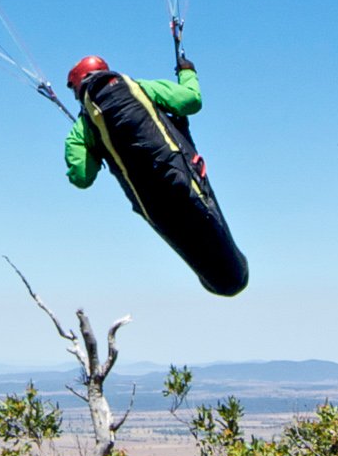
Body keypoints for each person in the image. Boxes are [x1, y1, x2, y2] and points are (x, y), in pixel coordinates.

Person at [63, 50, 249, 297]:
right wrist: (187, 72)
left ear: (77, 86)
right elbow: (191, 101)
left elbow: (82, 178)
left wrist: (91, 153)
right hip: (183, 178)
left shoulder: (82, 127)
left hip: (152, 204)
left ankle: (225, 281)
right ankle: (234, 275)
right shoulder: (140, 88)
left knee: (213, 270)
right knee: (229, 267)